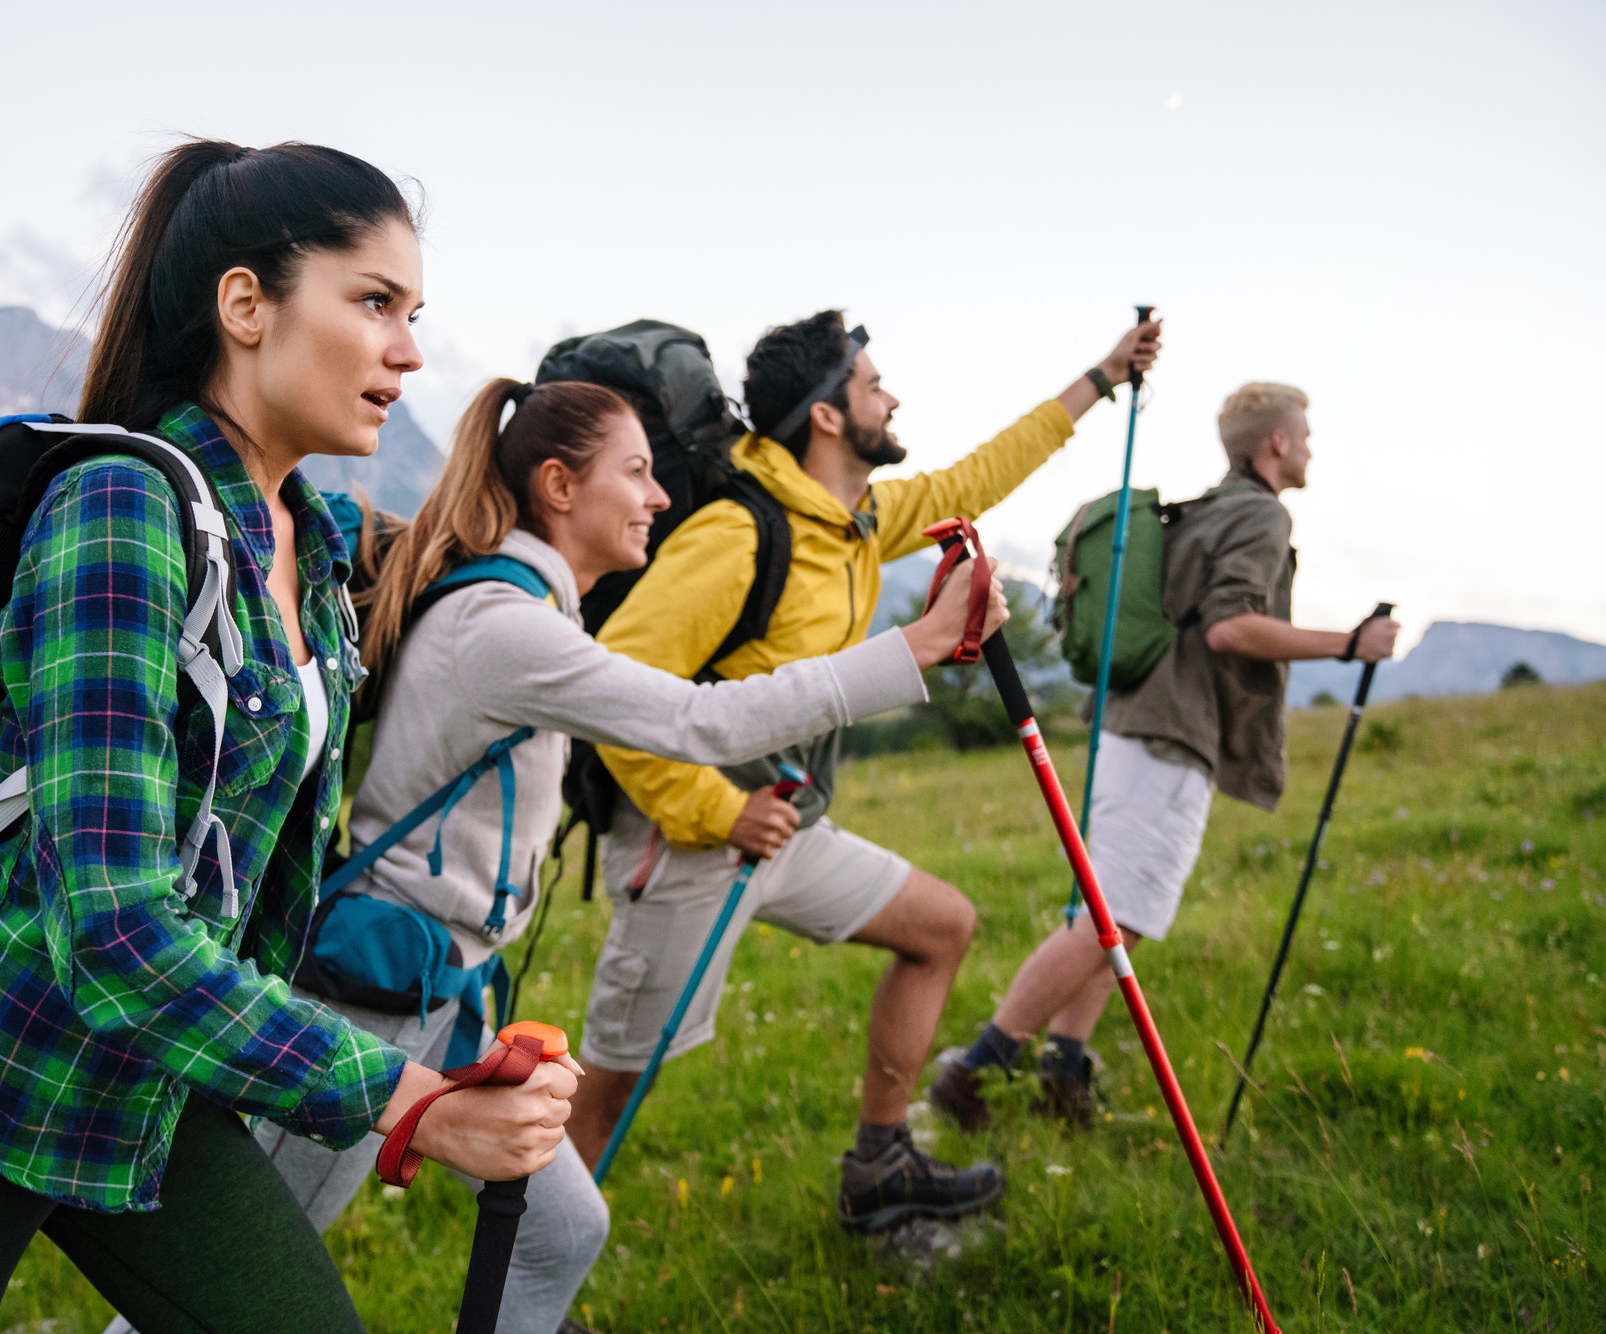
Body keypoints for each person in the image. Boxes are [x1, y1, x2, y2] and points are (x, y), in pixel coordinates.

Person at [0, 140, 577, 1334]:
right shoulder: (123, 509)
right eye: (372, 303)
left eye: (414, 313)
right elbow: (113, 928)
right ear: (244, 304)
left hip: (148, 1086)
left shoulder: (307, 541)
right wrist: (407, 1098)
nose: (408, 350)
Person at [253, 374, 1006, 1334]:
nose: (659, 496)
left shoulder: (529, 610)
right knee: (249, 1285)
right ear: (561, 487)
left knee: (564, 1229)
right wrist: (919, 646)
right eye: (638, 472)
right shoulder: (503, 625)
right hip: (376, 995)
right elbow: (701, 720)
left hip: (438, 991)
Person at [565, 309, 1163, 1234]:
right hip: (686, 840)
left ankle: (879, 1167)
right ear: (830, 417)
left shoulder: (856, 523)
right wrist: (717, 811)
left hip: (787, 828)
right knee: (608, 1090)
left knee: (942, 927)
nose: (892, 396)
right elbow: (611, 693)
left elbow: (980, 476)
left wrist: (1103, 376)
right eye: (873, 382)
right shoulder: (738, 535)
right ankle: (513, 1298)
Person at [931, 381, 1400, 1129]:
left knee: (1114, 908)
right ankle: (977, 1072)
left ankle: (1064, 1069)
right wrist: (1347, 645)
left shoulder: (1205, 510)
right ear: (1275, 441)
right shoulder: (1260, 516)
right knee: (1114, 918)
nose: (1309, 446)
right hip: (1172, 733)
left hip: (1130, 722)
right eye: (1303, 434)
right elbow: (1229, 628)